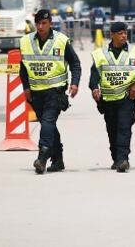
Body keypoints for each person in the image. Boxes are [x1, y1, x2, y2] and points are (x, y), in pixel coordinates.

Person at [18, 9, 81, 174]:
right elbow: (23, 68)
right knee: (49, 126)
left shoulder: (61, 40)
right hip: (36, 93)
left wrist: (75, 83)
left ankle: (42, 157)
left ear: (50, 24)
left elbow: (75, 63)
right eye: (38, 23)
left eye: (44, 23)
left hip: (55, 92)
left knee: (47, 122)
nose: (40, 26)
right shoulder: (26, 41)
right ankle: (58, 160)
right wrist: (26, 88)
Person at [90, 22, 135, 172]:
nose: (123, 36)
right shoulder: (101, 54)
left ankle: (123, 159)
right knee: (112, 130)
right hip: (108, 100)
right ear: (112, 35)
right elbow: (94, 75)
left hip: (126, 98)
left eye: (125, 33)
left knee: (124, 128)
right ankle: (116, 158)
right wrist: (94, 88)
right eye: (120, 33)